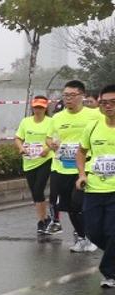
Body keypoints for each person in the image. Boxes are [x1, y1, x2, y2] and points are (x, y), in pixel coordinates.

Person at [47, 80, 100, 252]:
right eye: (65, 95)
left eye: (72, 95)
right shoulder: (57, 117)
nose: (68, 98)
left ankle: (90, 237)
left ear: (82, 96)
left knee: (79, 204)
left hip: (83, 168)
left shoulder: (95, 115)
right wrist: (51, 144)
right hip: (61, 167)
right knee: (69, 206)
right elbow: (48, 138)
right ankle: (82, 237)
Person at [77, 84, 115, 288]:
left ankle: (110, 273)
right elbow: (81, 152)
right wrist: (82, 174)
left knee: (112, 232)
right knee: (93, 232)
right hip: (94, 188)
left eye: (113, 102)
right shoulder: (92, 127)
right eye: (104, 103)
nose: (108, 106)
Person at [15, 96, 54, 234]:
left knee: (38, 189)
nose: (38, 110)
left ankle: (41, 221)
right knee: (35, 191)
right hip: (29, 160)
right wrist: (21, 148)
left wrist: (47, 149)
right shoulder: (26, 122)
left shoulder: (51, 122)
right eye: (36, 107)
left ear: (45, 108)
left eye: (41, 107)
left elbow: (54, 140)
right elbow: (18, 138)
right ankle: (46, 217)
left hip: (45, 159)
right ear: (32, 107)